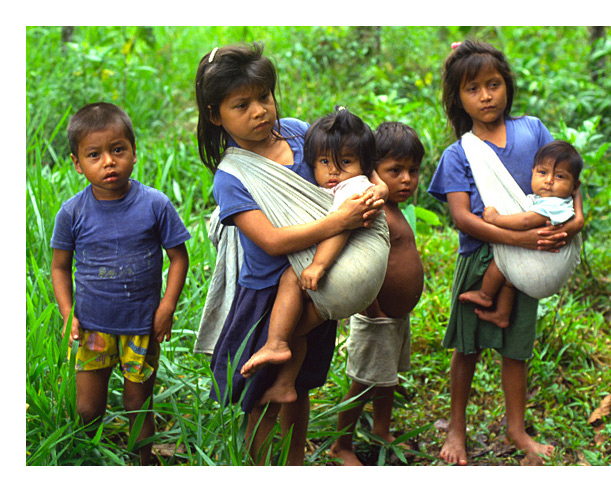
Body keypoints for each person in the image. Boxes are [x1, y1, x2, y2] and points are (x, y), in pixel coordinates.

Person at [195, 43, 386, 465]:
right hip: (268, 293)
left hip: (317, 280)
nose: (259, 111)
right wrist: (342, 222)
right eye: (241, 105)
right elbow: (273, 241)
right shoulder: (232, 177)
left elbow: (361, 171)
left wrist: (379, 191)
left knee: (297, 387)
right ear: (215, 115)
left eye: (264, 97)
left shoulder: (301, 134)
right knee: (261, 395)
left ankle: (295, 462)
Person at [427, 40, 584, 465]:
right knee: (468, 348)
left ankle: (517, 430)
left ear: (507, 86)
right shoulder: (458, 153)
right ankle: (456, 431)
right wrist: (519, 240)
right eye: (473, 88)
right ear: (457, 97)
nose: (486, 96)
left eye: (493, 85)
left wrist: (575, 223)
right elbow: (463, 218)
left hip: (532, 260)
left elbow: (569, 175)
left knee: (517, 349)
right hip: (482, 256)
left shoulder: (532, 129)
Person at [50, 102, 190, 465]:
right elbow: (60, 268)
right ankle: (90, 458)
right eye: (94, 155)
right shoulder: (72, 212)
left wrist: (167, 307)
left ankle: (144, 460)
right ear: (77, 164)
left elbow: (179, 258)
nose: (108, 162)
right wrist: (68, 314)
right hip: (92, 328)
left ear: (133, 152)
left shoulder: (154, 205)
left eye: (117, 150)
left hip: (141, 327)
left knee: (137, 404)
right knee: (87, 407)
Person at [240, 106, 384, 405]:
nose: (333, 171)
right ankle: (286, 382)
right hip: (361, 284)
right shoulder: (354, 183)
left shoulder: (354, 188)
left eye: (345, 161)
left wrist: (317, 265)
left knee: (290, 279)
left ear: (365, 164)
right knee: (299, 330)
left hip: (350, 275)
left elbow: (342, 227)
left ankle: (275, 343)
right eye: (323, 162)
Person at [329, 121, 425, 466]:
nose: (406, 180)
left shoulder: (397, 208)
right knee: (363, 382)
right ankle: (341, 445)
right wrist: (372, 307)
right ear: (372, 171)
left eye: (413, 171)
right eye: (395, 171)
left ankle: (381, 431)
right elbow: (360, 261)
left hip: (395, 318)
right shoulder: (373, 208)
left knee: (386, 379)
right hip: (377, 317)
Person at [459, 140, 583, 328]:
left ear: (574, 186)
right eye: (543, 173)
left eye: (559, 176)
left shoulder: (555, 203)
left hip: (543, 260)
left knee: (501, 262)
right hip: (535, 260)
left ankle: (485, 294)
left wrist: (496, 219)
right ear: (532, 172)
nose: (549, 180)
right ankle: (502, 314)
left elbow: (526, 221)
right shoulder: (545, 200)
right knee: (510, 280)